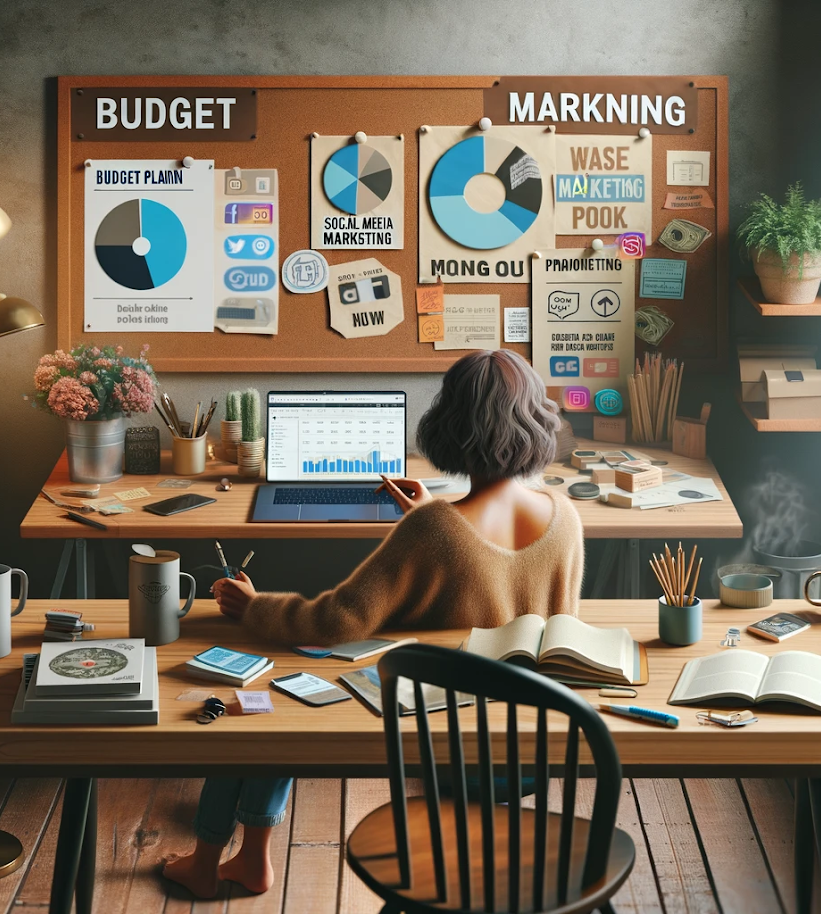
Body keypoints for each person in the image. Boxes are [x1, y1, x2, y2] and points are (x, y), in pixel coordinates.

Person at [160, 350, 585, 897]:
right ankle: (243, 861)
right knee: (282, 695)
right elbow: (535, 611)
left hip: (444, 744)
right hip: (533, 742)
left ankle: (216, 860)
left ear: (448, 423)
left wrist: (254, 605)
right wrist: (436, 517)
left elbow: (336, 620)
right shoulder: (565, 516)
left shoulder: (433, 528)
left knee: (267, 701)